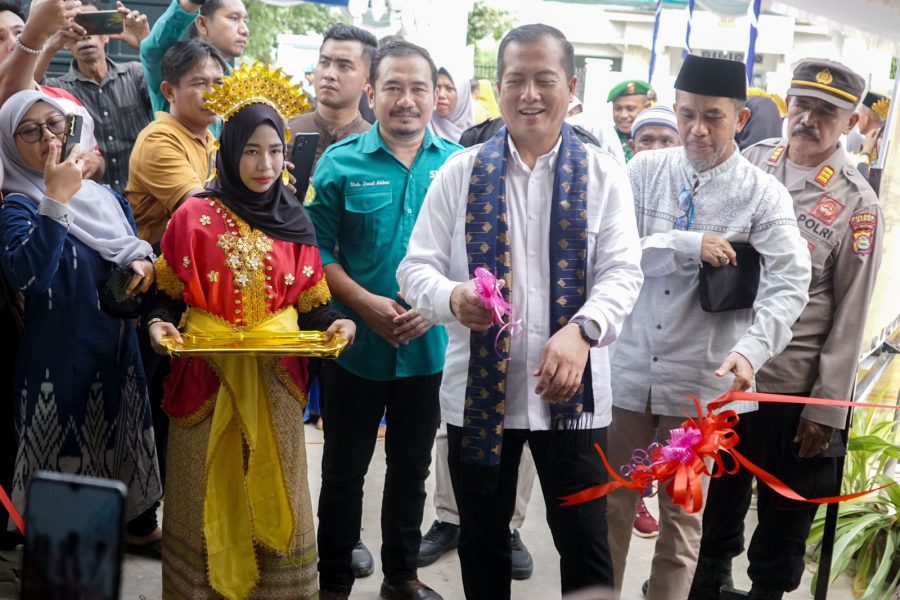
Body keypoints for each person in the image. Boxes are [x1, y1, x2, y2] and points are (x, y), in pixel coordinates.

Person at [397, 24, 644, 600]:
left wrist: (583, 331)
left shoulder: (603, 174)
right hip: (480, 397)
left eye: (544, 80)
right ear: (498, 88)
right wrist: (452, 297)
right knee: (482, 543)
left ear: (571, 87)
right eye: (516, 80)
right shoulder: (459, 173)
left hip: (576, 400)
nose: (529, 94)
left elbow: (622, 272)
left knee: (586, 545)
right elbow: (415, 269)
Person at [145, 62, 355, 600]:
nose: (266, 165)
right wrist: (158, 323)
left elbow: (313, 304)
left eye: (276, 151)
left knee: (276, 486)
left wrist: (336, 323)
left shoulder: (296, 220)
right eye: (251, 151)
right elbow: (166, 294)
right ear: (229, 150)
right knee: (202, 493)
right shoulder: (192, 216)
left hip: (275, 383)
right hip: (205, 380)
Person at [605, 54, 811, 600]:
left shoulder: (762, 194)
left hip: (702, 381)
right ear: (674, 110)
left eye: (713, 117)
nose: (697, 129)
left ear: (739, 119)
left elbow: (791, 281)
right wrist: (684, 244)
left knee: (682, 520)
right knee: (610, 504)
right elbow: (609, 253)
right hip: (628, 368)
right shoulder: (642, 172)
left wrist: (753, 350)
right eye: (687, 114)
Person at [691, 59, 884, 600]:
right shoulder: (752, 161)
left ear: (850, 123)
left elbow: (851, 313)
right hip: (730, 373)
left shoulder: (857, 204)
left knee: (782, 515)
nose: (808, 120)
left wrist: (825, 408)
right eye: (801, 106)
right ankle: (707, 583)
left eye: (826, 112)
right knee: (718, 495)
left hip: (790, 386)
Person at [307, 40, 457, 600]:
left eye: (419, 88)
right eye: (393, 86)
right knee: (343, 472)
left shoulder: (458, 165)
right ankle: (333, 582)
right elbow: (316, 252)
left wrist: (437, 306)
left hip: (429, 350)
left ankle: (401, 577)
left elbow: (475, 256)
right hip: (355, 349)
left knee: (411, 471)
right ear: (371, 92)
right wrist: (364, 303)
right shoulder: (339, 162)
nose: (406, 100)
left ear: (436, 96)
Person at [0, 90, 161, 550]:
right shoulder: (18, 206)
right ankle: (65, 562)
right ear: (11, 145)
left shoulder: (106, 198)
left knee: (121, 444)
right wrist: (55, 197)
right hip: (58, 363)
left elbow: (132, 250)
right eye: (30, 131)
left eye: (55, 124)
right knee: (63, 462)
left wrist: (144, 264)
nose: (48, 138)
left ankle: (131, 531)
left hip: (116, 354)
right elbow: (29, 276)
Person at [37, 0, 152, 194]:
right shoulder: (59, 89)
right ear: (66, 41)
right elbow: (25, 91)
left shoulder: (135, 73)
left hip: (144, 196)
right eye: (76, 28)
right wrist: (49, 47)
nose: (85, 35)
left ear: (106, 35)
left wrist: (146, 43)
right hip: (95, 200)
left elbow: (170, 91)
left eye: (93, 26)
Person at [126, 39, 226, 247]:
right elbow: (199, 208)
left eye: (219, 83)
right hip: (159, 259)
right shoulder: (157, 139)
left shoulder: (210, 138)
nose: (213, 94)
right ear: (169, 92)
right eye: (200, 83)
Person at [287, 23, 377, 169]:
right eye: (324, 63)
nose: (329, 74)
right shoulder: (283, 136)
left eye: (344, 66)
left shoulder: (375, 147)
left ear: (367, 80)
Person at [141, 0, 248, 114]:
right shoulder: (175, 64)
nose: (245, 30)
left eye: (245, 21)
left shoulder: (237, 82)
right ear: (202, 24)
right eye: (233, 18)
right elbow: (153, 50)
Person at [608, 78, 652, 162]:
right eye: (618, 109)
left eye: (630, 109)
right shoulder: (607, 138)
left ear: (647, 107)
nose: (623, 115)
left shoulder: (659, 138)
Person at [429, 67, 474, 144]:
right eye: (437, 88)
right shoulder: (419, 133)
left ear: (463, 95)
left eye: (449, 88)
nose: (441, 95)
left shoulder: (477, 138)